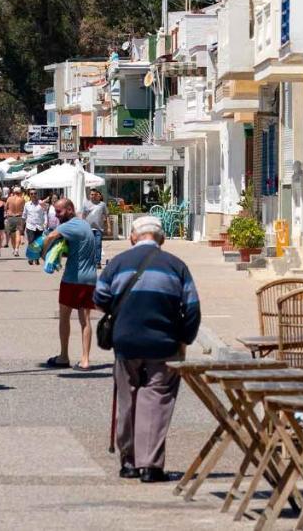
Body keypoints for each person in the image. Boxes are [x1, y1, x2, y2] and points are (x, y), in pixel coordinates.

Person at [94, 215, 201, 483]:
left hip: (126, 342)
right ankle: (150, 466)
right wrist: (184, 339)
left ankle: (128, 462)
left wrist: (123, 312)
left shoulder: (117, 263)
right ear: (161, 239)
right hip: (164, 343)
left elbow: (100, 297)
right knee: (157, 400)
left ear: (133, 237)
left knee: (126, 399)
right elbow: (192, 308)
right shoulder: (177, 266)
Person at [41, 198, 99, 370]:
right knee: (85, 320)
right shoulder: (84, 225)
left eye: (59, 212)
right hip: (89, 279)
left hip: (72, 279)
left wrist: (43, 254)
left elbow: (50, 236)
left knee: (64, 317)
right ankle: (85, 359)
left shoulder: (69, 225)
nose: (57, 216)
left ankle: (63, 356)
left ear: (70, 209)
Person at [83, 189, 108, 266]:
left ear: (97, 195)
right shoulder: (86, 204)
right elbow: (83, 216)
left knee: (98, 245)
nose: (93, 196)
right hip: (88, 229)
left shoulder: (102, 204)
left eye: (94, 194)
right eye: (91, 194)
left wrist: (109, 227)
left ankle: (98, 262)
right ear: (89, 195)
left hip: (98, 229)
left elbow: (106, 215)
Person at [23, 190, 48, 266]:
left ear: (37, 194)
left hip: (39, 226)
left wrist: (46, 222)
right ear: (29, 195)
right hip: (30, 226)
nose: (33, 195)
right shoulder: (27, 204)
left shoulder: (41, 203)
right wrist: (22, 227)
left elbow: (45, 213)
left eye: (35, 193)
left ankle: (36, 258)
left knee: (38, 243)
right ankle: (31, 258)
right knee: (31, 241)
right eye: (31, 194)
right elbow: (24, 215)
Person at [5, 186, 26, 256]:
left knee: (12, 236)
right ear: (20, 192)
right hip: (19, 217)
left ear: (13, 192)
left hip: (10, 217)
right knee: (18, 234)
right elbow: (24, 209)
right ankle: (16, 249)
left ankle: (14, 249)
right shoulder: (22, 199)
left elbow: (5, 208)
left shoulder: (9, 199)